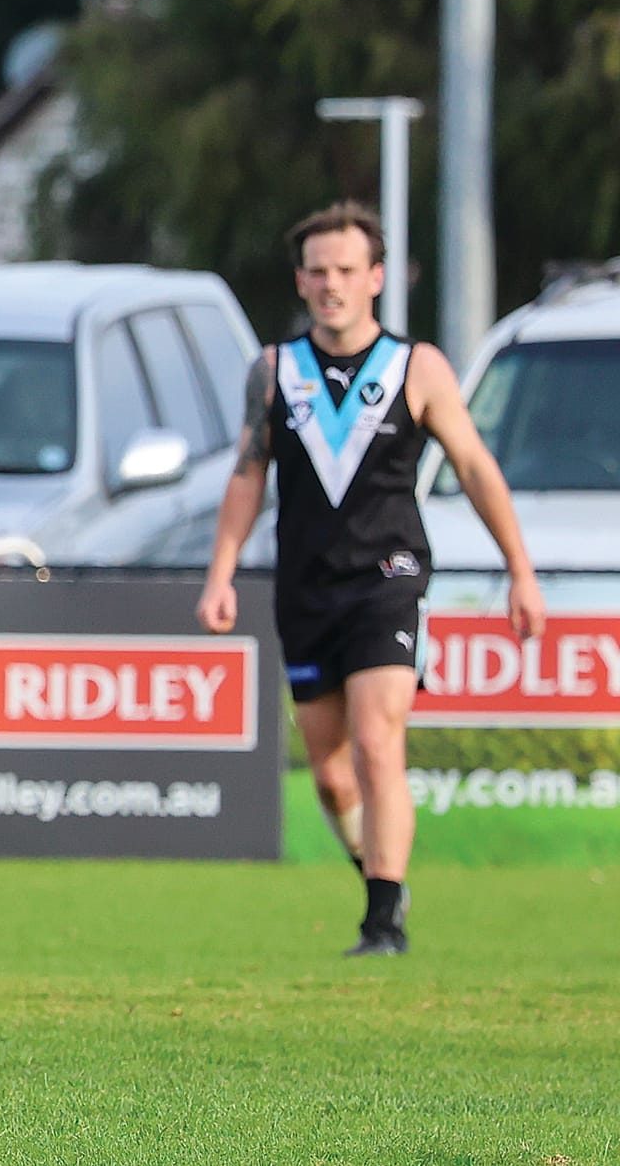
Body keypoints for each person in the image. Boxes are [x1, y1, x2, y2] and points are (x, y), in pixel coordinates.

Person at [196, 201, 544, 956]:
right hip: (304, 585)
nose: (332, 284)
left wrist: (520, 570)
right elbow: (247, 475)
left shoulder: (416, 366)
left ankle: (382, 921)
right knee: (329, 774)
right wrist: (220, 574)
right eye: (318, 271)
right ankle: (382, 878)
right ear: (300, 280)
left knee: (378, 743)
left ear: (376, 277)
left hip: (389, 577)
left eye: (347, 270)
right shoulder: (274, 370)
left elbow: (477, 467)